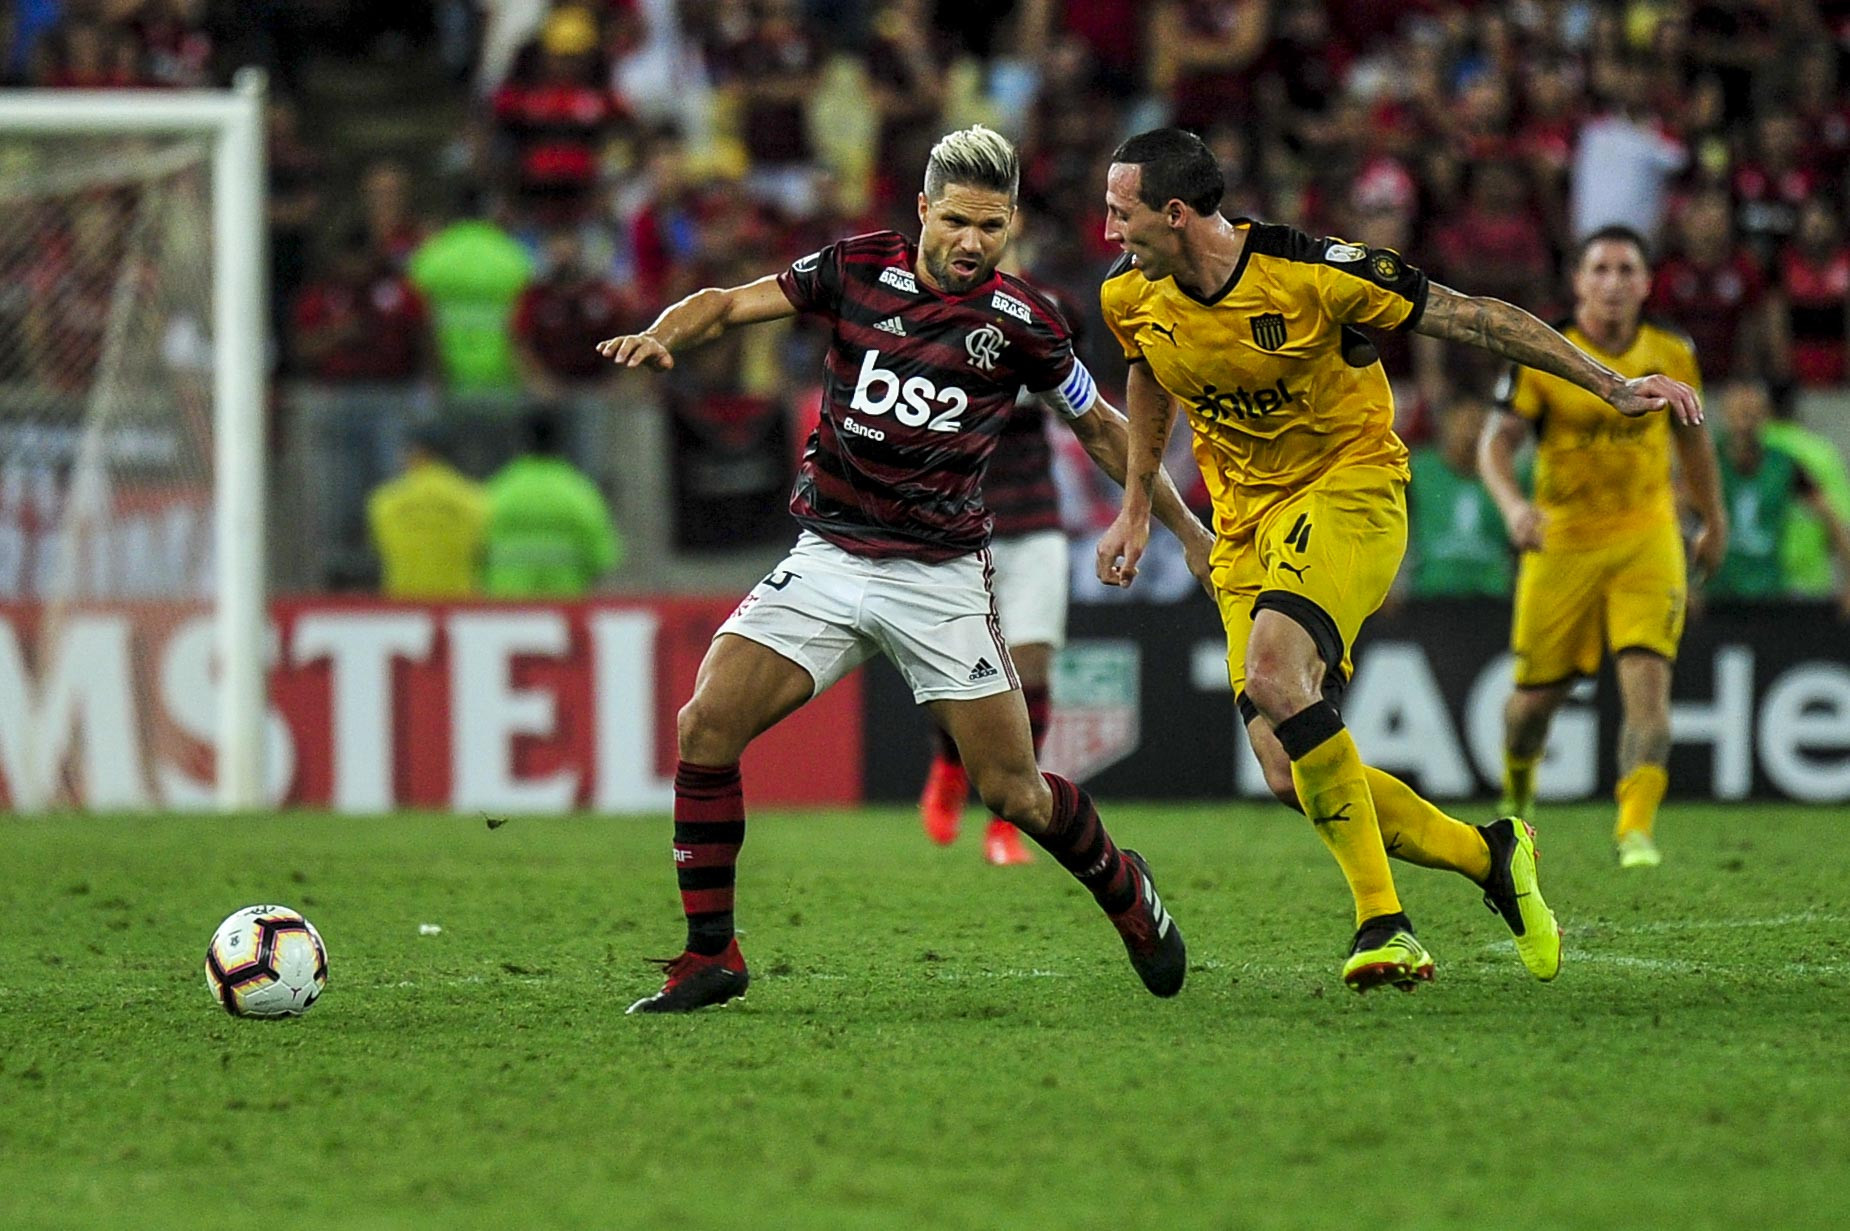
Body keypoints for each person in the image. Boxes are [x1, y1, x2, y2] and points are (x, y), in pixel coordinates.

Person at [601, 125, 1213, 1014]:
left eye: (992, 227)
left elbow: (1103, 428)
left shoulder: (1024, 322)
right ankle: (711, 953)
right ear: (923, 209)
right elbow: (729, 303)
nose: (973, 243)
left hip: (939, 577)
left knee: (1012, 791)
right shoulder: (856, 268)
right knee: (705, 727)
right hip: (830, 555)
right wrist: (663, 333)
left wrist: (1184, 529)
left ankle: (1124, 886)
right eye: (959, 221)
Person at [1096, 129, 1697, 994]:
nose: (1109, 229)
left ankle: (1385, 924)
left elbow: (1478, 317)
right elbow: (1148, 374)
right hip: (1244, 527)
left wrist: (1608, 382)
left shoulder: (1314, 274)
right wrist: (1138, 508)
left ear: (1177, 213)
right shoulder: (1131, 295)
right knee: (1280, 768)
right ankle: (1490, 855)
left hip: (1351, 487)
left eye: (1123, 212)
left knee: (1274, 673)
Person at [1479, 226, 1726, 872]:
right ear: (1579, 281)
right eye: (1601, 270)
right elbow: (1496, 443)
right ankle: (1519, 786)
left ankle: (1635, 829)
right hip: (1562, 539)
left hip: (1647, 534)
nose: (1614, 283)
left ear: (1647, 283)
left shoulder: (1673, 351)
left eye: (1626, 270)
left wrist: (1714, 519)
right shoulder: (1547, 353)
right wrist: (1514, 507)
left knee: (1648, 683)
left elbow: (1695, 442)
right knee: (1533, 705)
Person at [1708, 380, 1850, 615]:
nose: (1746, 424)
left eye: (1754, 415)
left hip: (1771, 593)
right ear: (1725, 415)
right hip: (1718, 595)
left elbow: (1830, 516)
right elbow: (1674, 513)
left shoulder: (1784, 464)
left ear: (1766, 417)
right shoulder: (1709, 462)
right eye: (1740, 415)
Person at [481, 406, 621, 598]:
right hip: (565, 610)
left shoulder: (498, 492)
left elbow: (477, 550)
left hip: (506, 609)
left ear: (521, 442)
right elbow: (601, 557)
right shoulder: (580, 494)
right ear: (561, 442)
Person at [1405, 394, 1515, 599]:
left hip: (1493, 595)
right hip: (1431, 592)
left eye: (1477, 424)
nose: (1469, 434)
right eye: (1462, 423)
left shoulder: (1510, 474)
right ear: (1446, 426)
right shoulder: (1418, 469)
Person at [367, 422, 486, 599]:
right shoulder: (475, 501)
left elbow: (380, 548)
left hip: (404, 609)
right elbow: (482, 553)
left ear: (418, 451)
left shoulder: (385, 502)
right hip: (458, 609)